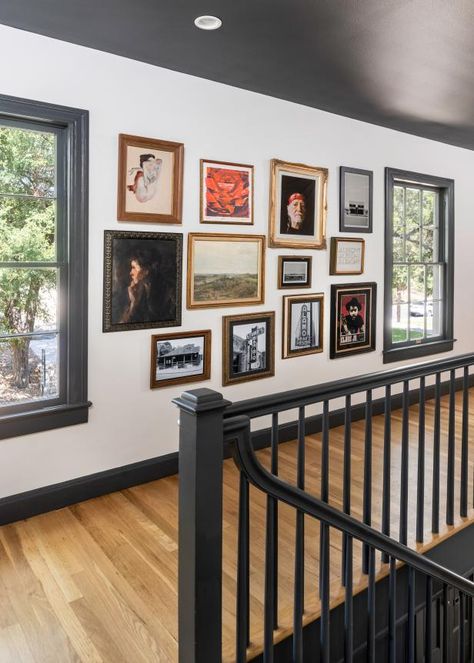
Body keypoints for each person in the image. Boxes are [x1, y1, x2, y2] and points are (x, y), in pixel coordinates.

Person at [120, 253, 154, 323]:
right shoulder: (134, 290)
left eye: (134, 268)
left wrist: (134, 302)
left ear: (145, 271)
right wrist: (133, 302)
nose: (130, 273)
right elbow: (123, 322)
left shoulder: (163, 290)